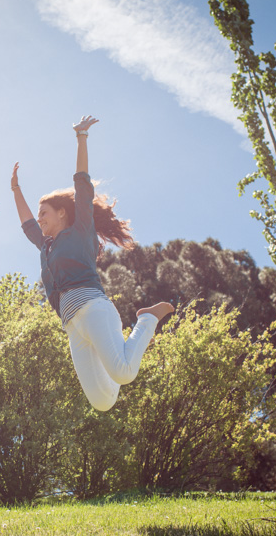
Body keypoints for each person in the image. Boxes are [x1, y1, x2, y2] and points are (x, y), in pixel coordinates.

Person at [10, 116, 174, 411]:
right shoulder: (45, 246)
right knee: (102, 402)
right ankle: (118, 351)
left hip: (93, 308)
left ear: (62, 213)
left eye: (44, 212)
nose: (40, 218)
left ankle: (147, 319)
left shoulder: (81, 231)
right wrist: (15, 190)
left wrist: (81, 136)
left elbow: (82, 185)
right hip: (73, 325)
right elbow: (27, 225)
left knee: (123, 373)